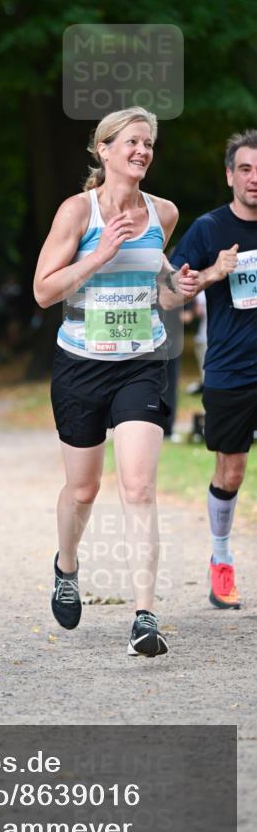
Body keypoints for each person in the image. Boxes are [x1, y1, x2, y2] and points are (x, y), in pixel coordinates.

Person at [33, 107, 199, 658]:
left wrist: (185, 284)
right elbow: (43, 290)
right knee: (83, 489)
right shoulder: (77, 212)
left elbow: (162, 288)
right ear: (103, 150)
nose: (142, 151)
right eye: (131, 141)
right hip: (80, 363)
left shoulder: (164, 213)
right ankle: (67, 564)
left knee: (139, 488)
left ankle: (145, 617)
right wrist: (99, 254)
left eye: (148, 143)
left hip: (142, 361)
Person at [170, 129, 257, 610]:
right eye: (245, 169)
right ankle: (221, 560)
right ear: (230, 176)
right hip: (232, 368)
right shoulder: (208, 230)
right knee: (231, 469)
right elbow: (169, 290)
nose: (254, 179)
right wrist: (211, 274)